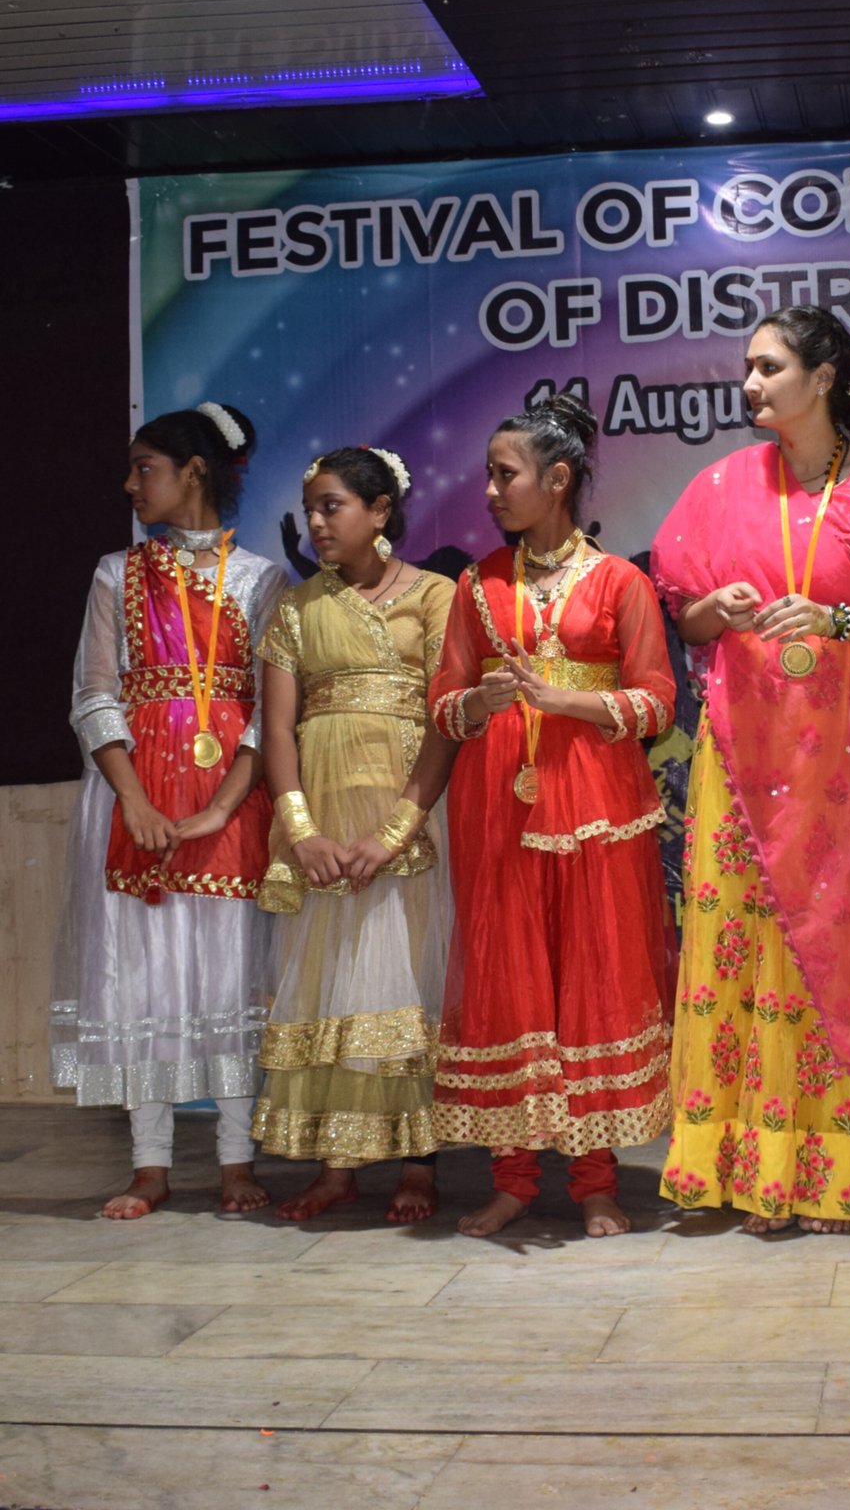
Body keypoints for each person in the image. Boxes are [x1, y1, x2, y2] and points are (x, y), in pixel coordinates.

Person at [652, 305, 850, 1235]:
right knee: (745, 954)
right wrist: (717, 607)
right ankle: (754, 1169)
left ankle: (846, 1174)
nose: (750, 384)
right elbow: (686, 618)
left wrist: (831, 621)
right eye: (747, 366)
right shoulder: (722, 485)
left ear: (825, 378)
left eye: (769, 367)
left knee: (849, 952)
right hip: (742, 757)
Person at [427, 395, 675, 1238]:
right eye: (488, 475)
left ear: (558, 479)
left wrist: (569, 701)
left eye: (506, 474)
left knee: (591, 979)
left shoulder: (620, 582)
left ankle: (597, 1181)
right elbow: (443, 707)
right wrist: (479, 700)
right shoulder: (477, 584)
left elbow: (658, 704)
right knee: (510, 981)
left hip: (595, 805)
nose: (490, 490)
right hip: (499, 802)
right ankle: (514, 1180)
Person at [51, 403, 287, 1218]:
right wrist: (133, 800)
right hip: (136, 801)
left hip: (228, 802)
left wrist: (223, 806)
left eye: (143, 467)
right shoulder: (115, 574)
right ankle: (149, 1164)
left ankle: (235, 1160)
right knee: (140, 974)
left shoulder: (261, 579)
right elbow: (92, 696)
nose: (129, 484)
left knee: (228, 969)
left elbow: (270, 710)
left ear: (194, 472)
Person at [253, 446, 457, 1223]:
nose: (315, 522)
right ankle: (337, 1167)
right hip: (325, 825)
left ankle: (419, 1165)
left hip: (408, 818)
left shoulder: (434, 596)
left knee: (408, 981)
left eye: (331, 506)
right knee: (333, 981)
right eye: (309, 509)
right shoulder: (298, 607)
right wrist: (301, 832)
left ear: (379, 511)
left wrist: (398, 829)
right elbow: (277, 730)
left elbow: (446, 719)